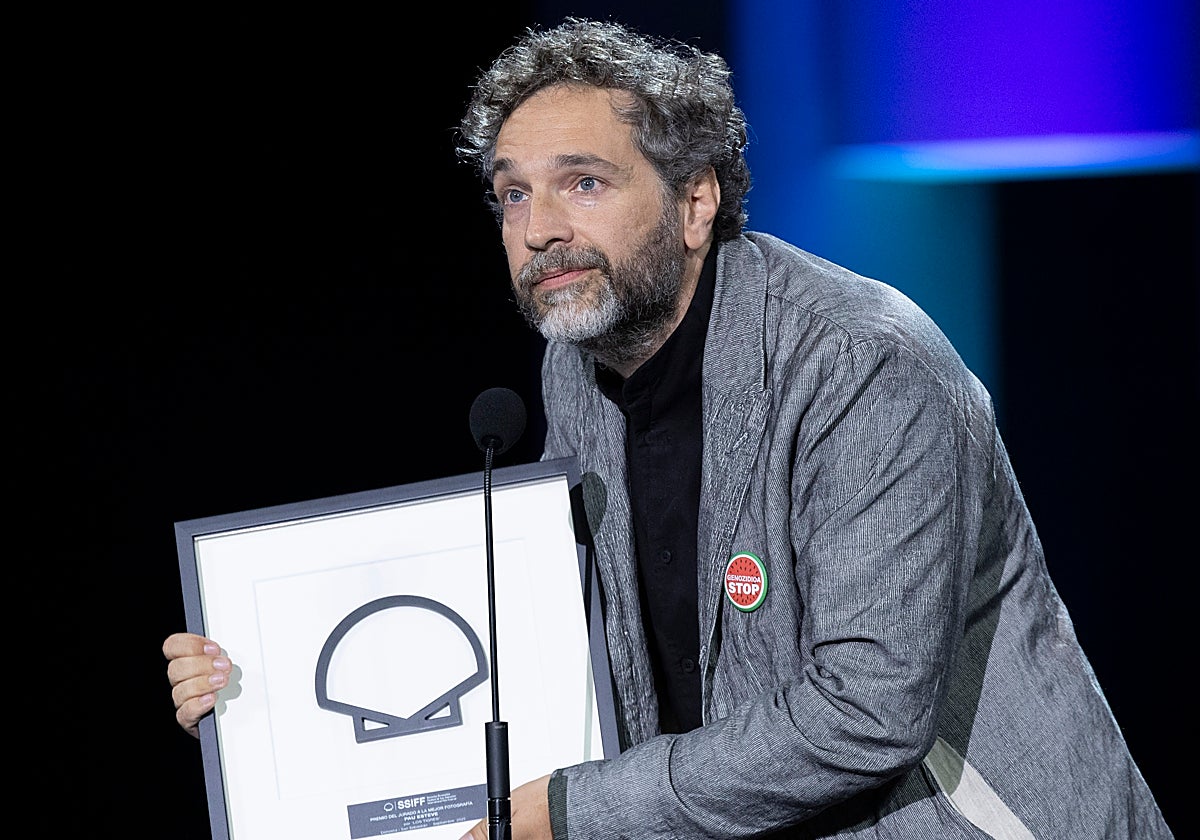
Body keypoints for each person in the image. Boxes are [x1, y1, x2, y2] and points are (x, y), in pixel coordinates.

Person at [164, 17, 1174, 839]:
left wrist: (578, 811)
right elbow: (566, 647)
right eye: (512, 193)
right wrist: (262, 697)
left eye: (583, 183)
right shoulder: (573, 368)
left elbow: (866, 711)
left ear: (695, 203)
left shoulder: (861, 361)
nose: (538, 229)